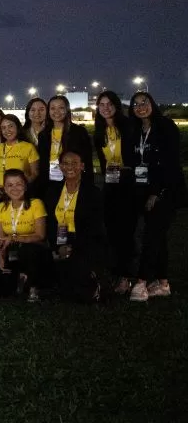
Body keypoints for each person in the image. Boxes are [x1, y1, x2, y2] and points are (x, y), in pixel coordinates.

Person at [120, 91, 186, 301]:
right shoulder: (135, 129)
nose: (140, 107)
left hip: (165, 191)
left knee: (151, 236)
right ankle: (163, 283)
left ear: (152, 104)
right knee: (158, 237)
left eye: (144, 102)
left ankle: (141, 282)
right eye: (136, 104)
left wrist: (156, 193)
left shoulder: (165, 127)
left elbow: (169, 163)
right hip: (143, 188)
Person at [46, 150, 106, 302]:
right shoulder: (53, 191)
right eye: (65, 163)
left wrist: (73, 247)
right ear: (60, 167)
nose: (70, 167)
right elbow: (51, 224)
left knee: (79, 293)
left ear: (82, 166)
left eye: (74, 163)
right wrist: (57, 247)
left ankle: (93, 280)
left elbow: (94, 228)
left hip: (84, 242)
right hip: (60, 239)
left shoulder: (92, 193)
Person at [92, 91, 135, 291]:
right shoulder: (100, 131)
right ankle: (115, 271)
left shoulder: (128, 127)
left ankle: (126, 275)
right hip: (110, 182)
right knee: (111, 229)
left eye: (109, 104)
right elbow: (103, 160)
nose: (106, 108)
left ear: (116, 106)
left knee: (126, 230)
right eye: (101, 104)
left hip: (128, 182)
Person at [0, 170, 52, 302]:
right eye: (10, 185)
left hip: (35, 251)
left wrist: (14, 238)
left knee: (28, 249)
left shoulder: (36, 204)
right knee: (4, 287)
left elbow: (40, 235)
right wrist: (0, 257)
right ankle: (19, 279)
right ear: (4, 188)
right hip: (12, 252)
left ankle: (33, 288)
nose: (14, 188)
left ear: (25, 186)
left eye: (18, 184)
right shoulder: (2, 207)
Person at [36, 95, 93, 203]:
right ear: (48, 111)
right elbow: (42, 162)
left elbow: (87, 161)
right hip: (50, 182)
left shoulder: (79, 132)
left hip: (73, 181)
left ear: (67, 110)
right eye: (52, 108)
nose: (56, 111)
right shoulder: (43, 135)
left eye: (61, 108)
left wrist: (88, 184)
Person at [0, 114, 39, 200]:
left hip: (20, 194)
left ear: (17, 127)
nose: (7, 130)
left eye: (10, 126)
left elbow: (35, 173)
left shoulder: (28, 147)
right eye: (3, 128)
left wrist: (19, 188)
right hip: (0, 195)